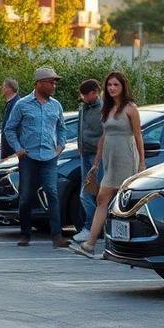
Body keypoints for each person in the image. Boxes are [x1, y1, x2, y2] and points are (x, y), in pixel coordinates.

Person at [71, 71, 144, 259]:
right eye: (109, 85)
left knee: (123, 205)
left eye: (115, 85)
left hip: (126, 158)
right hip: (110, 160)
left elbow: (138, 136)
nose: (112, 88)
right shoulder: (107, 108)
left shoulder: (130, 108)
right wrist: (96, 162)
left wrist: (142, 163)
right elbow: (103, 136)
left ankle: (120, 247)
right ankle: (90, 245)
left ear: (123, 87)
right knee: (102, 200)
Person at [5, 67, 68, 248]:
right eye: (50, 82)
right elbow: (9, 128)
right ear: (39, 83)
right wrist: (18, 148)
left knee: (52, 193)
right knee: (25, 196)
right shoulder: (22, 104)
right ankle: (25, 233)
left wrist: (60, 146)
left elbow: (61, 127)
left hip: (49, 157)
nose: (54, 85)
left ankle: (57, 235)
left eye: (55, 82)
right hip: (29, 157)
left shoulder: (56, 105)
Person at [72, 79, 104, 243]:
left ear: (94, 93)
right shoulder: (84, 107)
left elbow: (105, 134)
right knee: (88, 193)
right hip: (84, 153)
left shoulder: (103, 109)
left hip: (97, 156)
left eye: (85, 94)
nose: (82, 97)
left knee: (90, 193)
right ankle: (93, 228)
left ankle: (90, 228)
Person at [0, 78, 21, 160]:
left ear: (10, 89)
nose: (2, 89)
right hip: (9, 147)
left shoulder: (17, 104)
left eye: (4, 86)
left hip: (13, 149)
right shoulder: (10, 103)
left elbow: (13, 127)